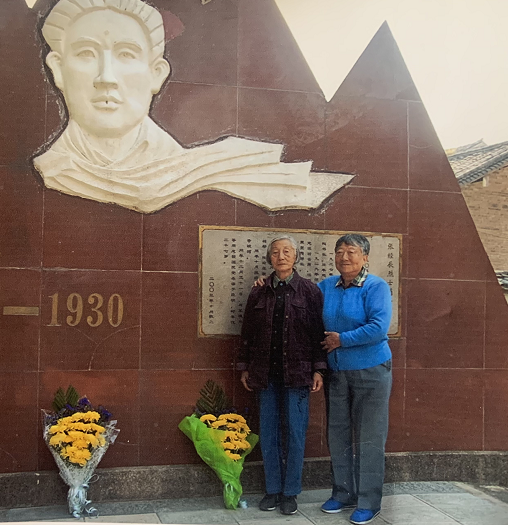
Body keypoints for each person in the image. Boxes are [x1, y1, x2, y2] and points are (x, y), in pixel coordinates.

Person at [34, 0, 353, 213]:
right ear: (58, 70)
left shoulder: (220, 166)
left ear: (156, 74)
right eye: (86, 54)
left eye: (126, 55)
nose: (106, 77)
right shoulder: (56, 168)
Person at [238, 235, 327, 516]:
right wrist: (244, 366)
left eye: (287, 251)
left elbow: (318, 332)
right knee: (268, 433)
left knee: (295, 433)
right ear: (269, 258)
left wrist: (318, 369)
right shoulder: (259, 292)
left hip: (297, 374)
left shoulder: (309, 291)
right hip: (265, 374)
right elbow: (247, 332)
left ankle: (290, 493)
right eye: (275, 252)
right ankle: (273, 490)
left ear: (296, 256)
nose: (281, 256)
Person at [318, 234, 393, 525]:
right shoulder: (326, 286)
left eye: (352, 251)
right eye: (340, 251)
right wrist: (266, 283)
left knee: (369, 436)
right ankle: (343, 492)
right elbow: (301, 303)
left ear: (365, 257)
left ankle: (368, 502)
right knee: (337, 434)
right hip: (337, 372)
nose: (345, 257)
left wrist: (342, 340)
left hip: (371, 370)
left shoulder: (376, 286)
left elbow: (378, 326)